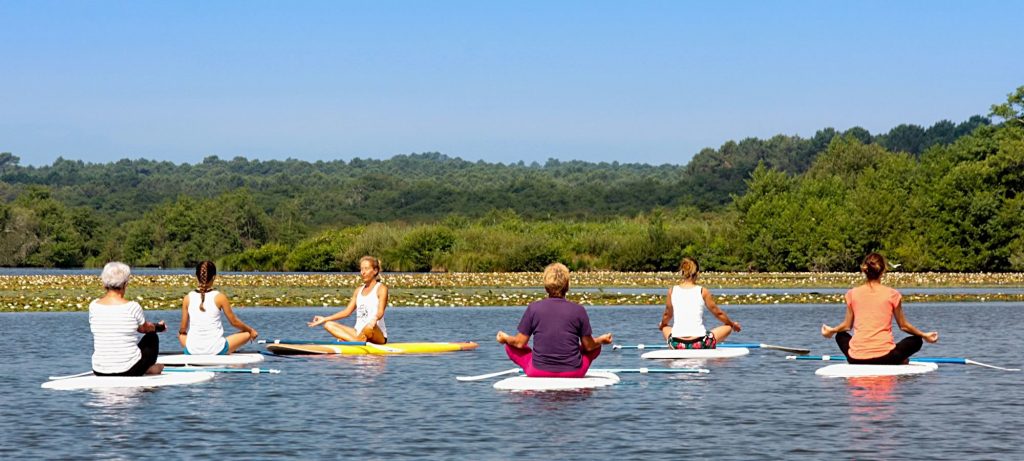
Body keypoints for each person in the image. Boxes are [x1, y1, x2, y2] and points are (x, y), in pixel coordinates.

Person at [496, 262, 613, 378]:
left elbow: (519, 343)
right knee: (594, 347)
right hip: (573, 372)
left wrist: (505, 338)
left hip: (537, 371)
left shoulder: (534, 308)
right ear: (567, 286)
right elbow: (589, 346)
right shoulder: (579, 310)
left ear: (546, 286)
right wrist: (601, 340)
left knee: (510, 345)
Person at [821, 253, 938, 364]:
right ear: (883, 271)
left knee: (840, 335)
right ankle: (900, 360)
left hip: (855, 359)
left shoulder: (852, 293)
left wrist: (832, 331)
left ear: (864, 270)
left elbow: (846, 326)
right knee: (916, 340)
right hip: (886, 357)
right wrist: (924, 335)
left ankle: (867, 356)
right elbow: (903, 326)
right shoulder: (892, 294)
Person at [90, 262, 166, 376]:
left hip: (99, 370)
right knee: (152, 337)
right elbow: (145, 329)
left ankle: (145, 368)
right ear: (125, 284)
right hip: (129, 370)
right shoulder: (132, 307)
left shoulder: (94, 306)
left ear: (104, 284)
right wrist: (159, 327)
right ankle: (148, 369)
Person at [658, 257, 741, 349]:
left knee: (665, 327)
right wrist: (733, 325)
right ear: (697, 273)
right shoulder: (702, 291)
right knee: (728, 327)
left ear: (681, 272)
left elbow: (667, 315)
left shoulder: (672, 291)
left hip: (677, 344)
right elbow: (718, 313)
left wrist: (662, 325)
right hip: (700, 343)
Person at [178, 260, 258, 354]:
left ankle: (196, 348)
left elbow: (183, 328)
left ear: (196, 276)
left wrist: (189, 337)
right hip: (216, 349)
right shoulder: (220, 297)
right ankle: (228, 349)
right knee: (247, 334)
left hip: (192, 350)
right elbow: (234, 322)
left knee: (181, 336)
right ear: (214, 277)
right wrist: (251, 330)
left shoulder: (187, 298)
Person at [308, 255, 389, 343]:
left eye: (366, 269)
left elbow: (380, 311)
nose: (363, 272)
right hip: (357, 333)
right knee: (328, 325)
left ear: (375, 271)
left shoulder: (381, 289)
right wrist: (325, 319)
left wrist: (374, 319)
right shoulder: (358, 290)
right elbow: (347, 312)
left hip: (375, 333)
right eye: (361, 269)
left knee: (367, 328)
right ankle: (356, 341)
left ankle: (350, 341)